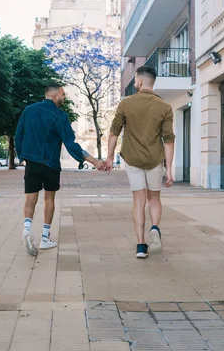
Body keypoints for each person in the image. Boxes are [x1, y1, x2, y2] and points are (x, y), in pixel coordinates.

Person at [15, 85, 107, 256]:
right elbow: (70, 144)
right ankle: (44, 238)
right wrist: (94, 161)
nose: (64, 98)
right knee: (49, 199)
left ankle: (27, 228)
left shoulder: (29, 110)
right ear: (56, 95)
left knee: (30, 198)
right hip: (50, 164)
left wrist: (22, 155)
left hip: (32, 163)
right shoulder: (60, 116)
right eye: (63, 95)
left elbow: (19, 134)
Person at [104, 66, 175, 258]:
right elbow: (168, 139)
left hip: (133, 159)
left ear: (140, 81)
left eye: (135, 79)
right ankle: (154, 227)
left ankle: (141, 246)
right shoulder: (164, 107)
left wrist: (110, 157)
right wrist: (169, 169)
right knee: (154, 198)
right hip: (154, 160)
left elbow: (114, 132)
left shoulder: (126, 104)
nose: (135, 82)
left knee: (138, 200)